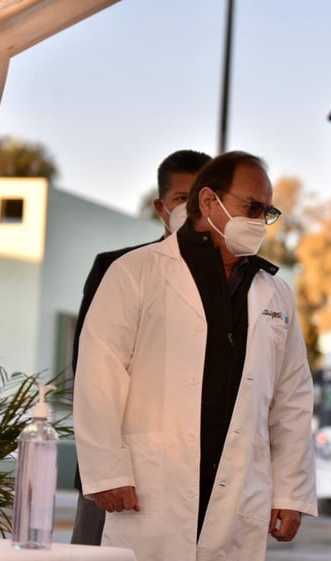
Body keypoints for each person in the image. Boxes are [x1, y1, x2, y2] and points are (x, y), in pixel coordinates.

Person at [73, 151, 317, 561]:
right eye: (251, 207)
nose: (259, 220)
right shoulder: (135, 272)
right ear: (208, 202)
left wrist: (291, 491)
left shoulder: (274, 292)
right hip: (152, 485)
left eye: (267, 211)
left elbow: (292, 397)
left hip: (237, 486)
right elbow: (99, 374)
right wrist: (106, 470)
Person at [69, 148, 210, 545]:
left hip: (198, 475)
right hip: (117, 472)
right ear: (161, 206)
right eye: (182, 198)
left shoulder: (236, 282)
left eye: (200, 197)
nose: (191, 208)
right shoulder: (121, 267)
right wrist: (105, 468)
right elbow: (94, 372)